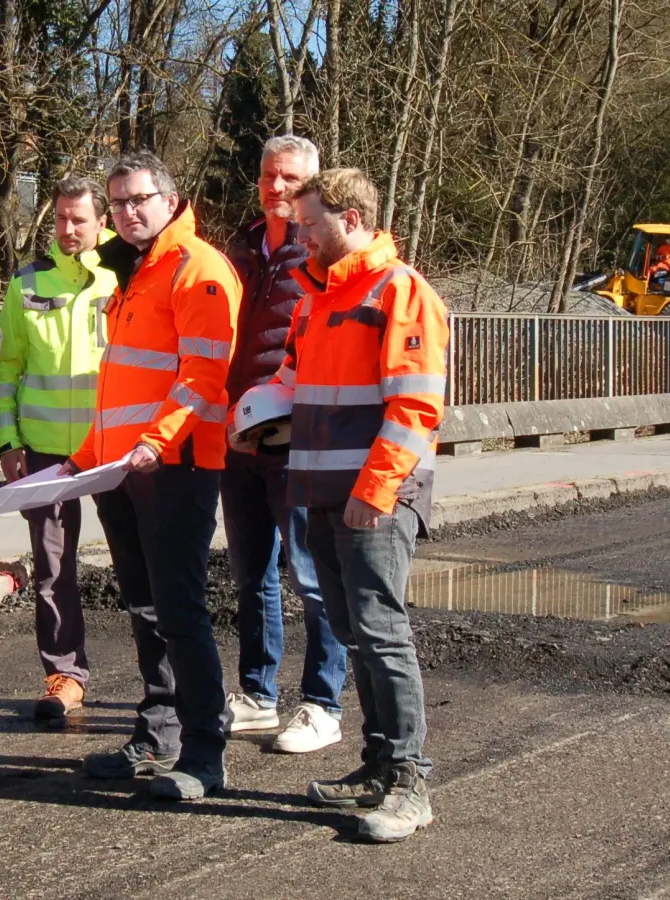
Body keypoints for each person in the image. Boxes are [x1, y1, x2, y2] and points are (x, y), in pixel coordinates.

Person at [69, 151, 242, 802]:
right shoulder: (134, 271)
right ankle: (158, 733)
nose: (126, 211)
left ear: (170, 201)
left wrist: (154, 441)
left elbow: (204, 373)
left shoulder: (197, 267)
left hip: (177, 463)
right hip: (125, 467)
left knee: (179, 609)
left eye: (138, 199)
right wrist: (89, 455)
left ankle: (204, 752)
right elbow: (122, 383)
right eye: (116, 202)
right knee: (145, 607)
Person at [286, 168, 447, 843]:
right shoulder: (317, 298)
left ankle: (409, 781)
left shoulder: (399, 290)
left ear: (350, 219)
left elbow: (416, 405)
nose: (300, 234)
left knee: (381, 631)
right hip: (325, 491)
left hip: (373, 495)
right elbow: (294, 382)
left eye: (310, 222)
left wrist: (375, 490)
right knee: (355, 630)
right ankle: (381, 765)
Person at [221, 135, 349, 754]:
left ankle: (323, 704)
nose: (277, 187)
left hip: (298, 439)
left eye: (290, 178)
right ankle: (256, 695)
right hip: (237, 435)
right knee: (251, 574)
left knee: (313, 575)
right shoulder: (241, 249)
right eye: (269, 175)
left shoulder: (322, 253)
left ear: (312, 187)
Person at [0, 176, 117, 720]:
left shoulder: (124, 276)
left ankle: (163, 684)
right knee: (51, 570)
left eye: (79, 219)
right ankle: (65, 676)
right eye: (61, 218)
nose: (67, 228)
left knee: (139, 566)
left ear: (101, 222)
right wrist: (7, 440)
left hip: (112, 449)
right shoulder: (28, 281)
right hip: (42, 452)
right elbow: (6, 370)